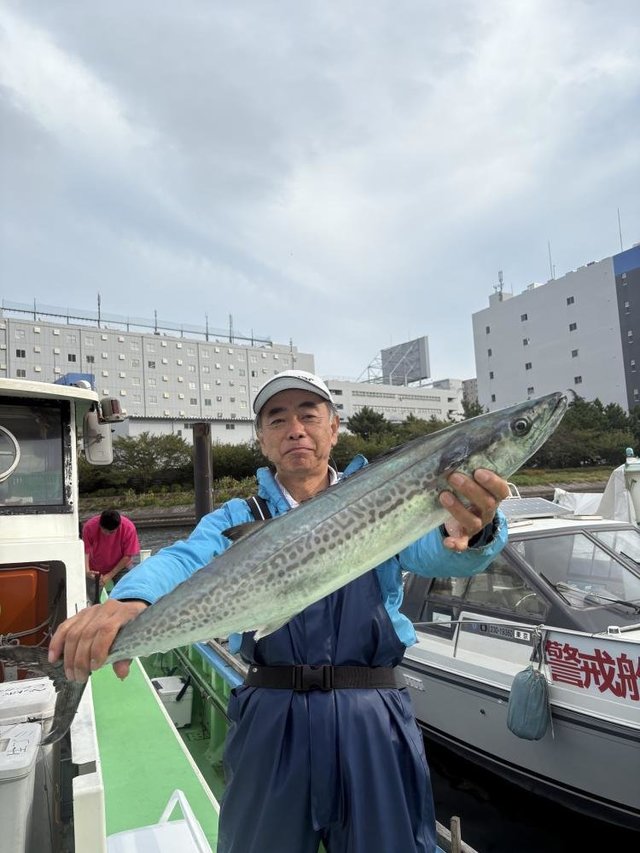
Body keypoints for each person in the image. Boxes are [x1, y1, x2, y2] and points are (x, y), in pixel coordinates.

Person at [50, 369, 510, 853]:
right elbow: (186, 559)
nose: (295, 429)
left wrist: (475, 531)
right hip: (272, 712)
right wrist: (131, 599)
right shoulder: (237, 517)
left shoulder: (384, 494)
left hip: (372, 712)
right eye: (278, 419)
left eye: (309, 415)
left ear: (333, 428)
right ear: (263, 441)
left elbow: (437, 550)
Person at [82, 509, 140, 600]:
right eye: (104, 530)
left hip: (121, 566)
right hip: (94, 568)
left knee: (128, 592)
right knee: (92, 598)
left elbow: (128, 555)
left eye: (112, 532)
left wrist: (109, 575)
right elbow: (85, 551)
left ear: (119, 526)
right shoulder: (89, 527)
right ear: (99, 524)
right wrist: (87, 571)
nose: (107, 534)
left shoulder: (129, 528)